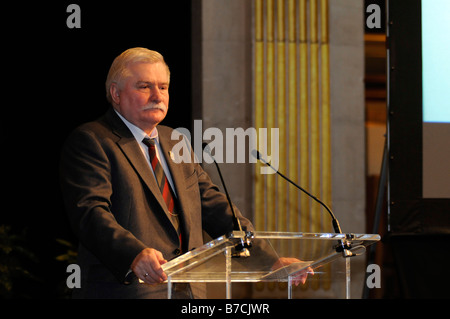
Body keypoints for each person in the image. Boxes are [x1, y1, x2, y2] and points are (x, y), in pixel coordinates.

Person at [60, 47, 311, 299]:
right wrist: (133, 254)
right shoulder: (92, 140)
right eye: (144, 86)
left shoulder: (176, 141)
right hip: (129, 290)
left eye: (163, 87)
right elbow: (90, 213)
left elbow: (217, 209)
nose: (157, 96)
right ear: (116, 93)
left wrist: (270, 260)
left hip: (188, 291)